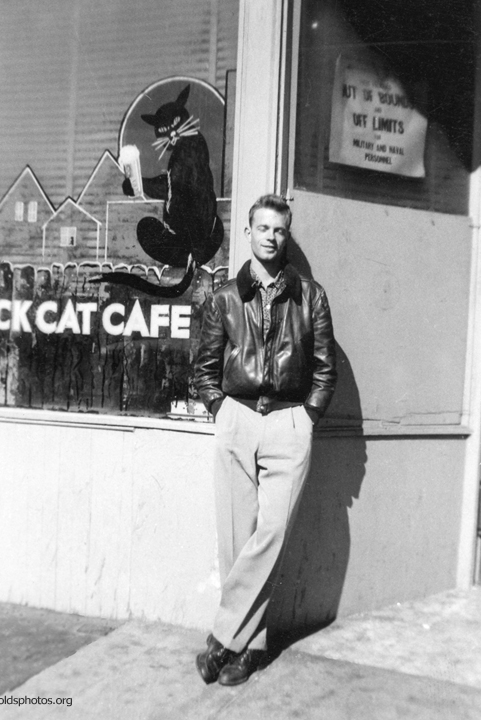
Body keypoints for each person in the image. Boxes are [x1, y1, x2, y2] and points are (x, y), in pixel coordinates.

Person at [193, 193, 337, 686]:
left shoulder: (311, 296)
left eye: (280, 229)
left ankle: (219, 637)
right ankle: (248, 649)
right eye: (263, 228)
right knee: (236, 538)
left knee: (271, 533)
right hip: (237, 418)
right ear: (249, 233)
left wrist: (307, 418)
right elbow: (204, 370)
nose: (272, 237)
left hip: (289, 422)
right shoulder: (225, 298)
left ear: (285, 235)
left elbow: (324, 370)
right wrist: (221, 410)